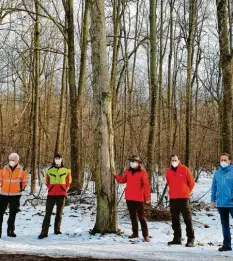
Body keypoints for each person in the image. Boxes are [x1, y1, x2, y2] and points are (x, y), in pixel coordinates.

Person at [114, 155, 150, 242]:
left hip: (139, 198)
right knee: (133, 216)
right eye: (131, 161)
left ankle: (145, 235)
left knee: (141, 217)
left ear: (138, 163)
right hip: (129, 197)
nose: (132, 163)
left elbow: (146, 186)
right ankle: (135, 233)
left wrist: (147, 198)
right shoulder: (128, 171)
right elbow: (123, 180)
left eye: (134, 161)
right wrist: (116, 176)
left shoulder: (143, 173)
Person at [38, 153, 72, 239]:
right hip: (51, 194)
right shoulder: (49, 170)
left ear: (61, 159)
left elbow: (69, 181)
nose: (57, 159)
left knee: (59, 213)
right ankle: (44, 232)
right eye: (56, 158)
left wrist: (64, 188)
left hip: (62, 194)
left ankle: (57, 229)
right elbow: (46, 181)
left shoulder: (66, 170)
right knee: (48, 213)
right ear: (54, 159)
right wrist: (51, 187)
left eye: (59, 158)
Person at [166, 154, 195, 247]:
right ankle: (177, 238)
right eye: (172, 160)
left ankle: (191, 239)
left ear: (178, 160)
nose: (174, 162)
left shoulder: (185, 169)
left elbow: (192, 182)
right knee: (175, 219)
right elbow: (169, 182)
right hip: (173, 198)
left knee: (187, 219)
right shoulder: (168, 171)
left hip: (184, 198)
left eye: (175, 160)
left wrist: (186, 192)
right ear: (170, 161)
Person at [0, 153, 28, 238]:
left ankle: (11, 230)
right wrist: (2, 186)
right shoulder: (4, 169)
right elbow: (1, 179)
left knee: (12, 214)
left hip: (15, 195)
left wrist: (21, 188)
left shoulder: (22, 170)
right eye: (10, 160)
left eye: (14, 160)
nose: (12, 161)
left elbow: (24, 182)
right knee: (0, 213)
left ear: (17, 160)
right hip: (3, 194)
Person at [211, 152, 233, 252]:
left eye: (225, 160)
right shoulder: (217, 173)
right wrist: (213, 200)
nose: (223, 162)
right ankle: (227, 245)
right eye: (221, 160)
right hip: (221, 204)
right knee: (225, 225)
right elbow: (214, 188)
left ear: (230, 161)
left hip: (231, 203)